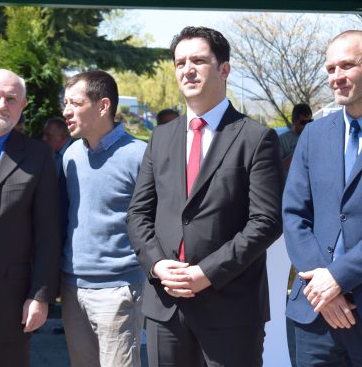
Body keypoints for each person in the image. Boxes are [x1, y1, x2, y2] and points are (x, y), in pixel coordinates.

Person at [127, 26, 283, 367]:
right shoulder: (160, 137)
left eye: (198, 60)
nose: (187, 69)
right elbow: (138, 214)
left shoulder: (256, 138)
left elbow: (266, 222)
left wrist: (206, 273)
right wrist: (157, 264)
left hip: (230, 308)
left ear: (224, 69)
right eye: (180, 62)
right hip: (166, 306)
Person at [0, 69, 61, 367]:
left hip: (11, 304)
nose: (2, 105)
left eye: (11, 98)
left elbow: (48, 233)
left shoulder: (39, 156)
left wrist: (40, 295)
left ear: (23, 105)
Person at [283, 30, 362, 366]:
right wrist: (323, 285)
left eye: (346, 66)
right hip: (315, 313)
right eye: (330, 69)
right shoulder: (314, 135)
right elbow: (293, 215)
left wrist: (337, 278)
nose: (336, 77)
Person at [60, 70, 146, 367]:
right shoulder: (70, 155)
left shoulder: (140, 155)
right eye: (65, 103)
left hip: (119, 289)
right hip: (72, 288)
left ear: (103, 106)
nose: (66, 111)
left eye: (74, 103)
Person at [279, 103, 313, 174]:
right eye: (303, 122)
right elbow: (278, 167)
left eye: (310, 121)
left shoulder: (314, 137)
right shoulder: (282, 140)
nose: (307, 126)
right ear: (294, 121)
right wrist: (298, 152)